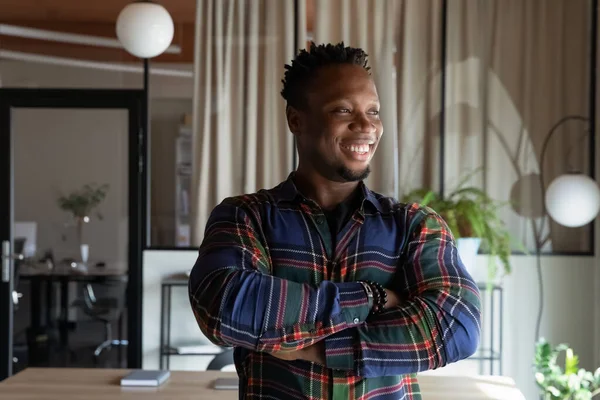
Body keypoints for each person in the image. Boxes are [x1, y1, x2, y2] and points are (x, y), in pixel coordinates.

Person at [189, 42, 481, 400]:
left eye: (373, 111)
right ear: (296, 119)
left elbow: (458, 326)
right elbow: (225, 307)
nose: (366, 126)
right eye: (343, 109)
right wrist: (373, 298)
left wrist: (314, 349)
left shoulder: (414, 225)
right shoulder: (245, 216)